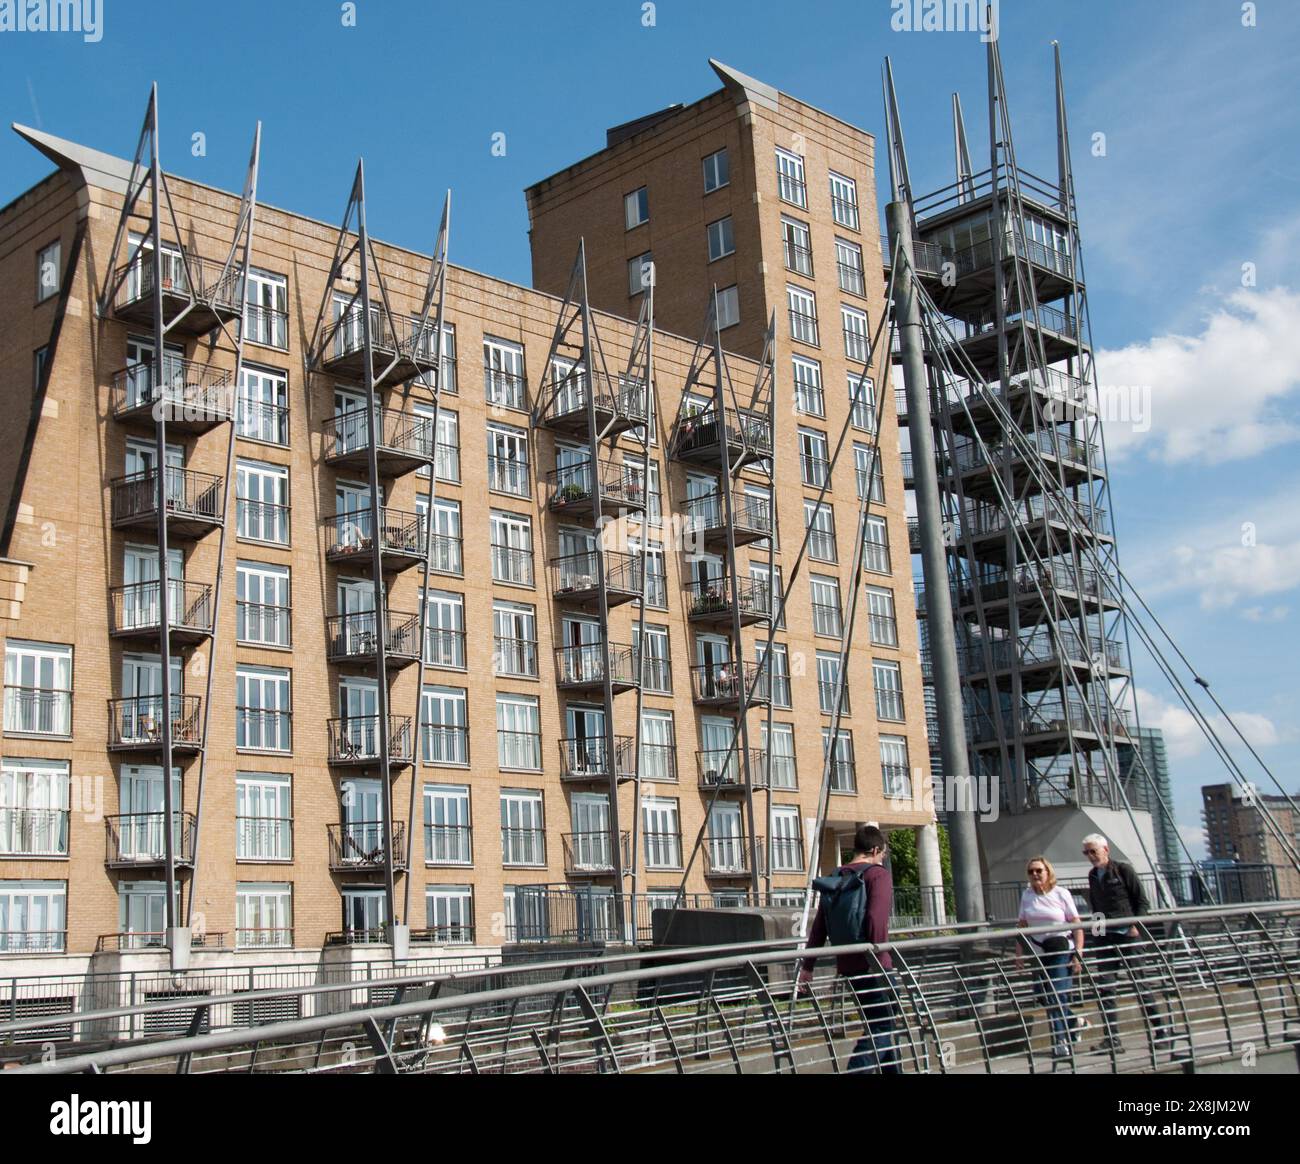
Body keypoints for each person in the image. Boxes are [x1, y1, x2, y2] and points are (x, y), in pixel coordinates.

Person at [796, 824, 900, 1073]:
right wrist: (879, 956)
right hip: (874, 965)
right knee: (883, 1024)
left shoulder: (836, 877)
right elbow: (876, 920)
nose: (882, 860)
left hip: (849, 966)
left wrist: (807, 967)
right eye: (882, 855)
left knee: (881, 1021)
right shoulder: (877, 875)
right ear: (875, 849)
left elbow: (820, 926)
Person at [1082, 833, 1168, 1053]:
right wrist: (1096, 934)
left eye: (1094, 851)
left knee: (1140, 984)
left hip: (1128, 935)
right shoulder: (1093, 875)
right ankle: (1112, 1039)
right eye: (1087, 852)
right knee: (1106, 988)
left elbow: (1141, 900)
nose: (1091, 856)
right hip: (1105, 938)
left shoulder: (1123, 870)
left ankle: (1161, 1031)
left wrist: (1135, 926)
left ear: (1105, 849)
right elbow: (1096, 907)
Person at [1015, 855, 1084, 1060]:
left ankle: (1060, 1041)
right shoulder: (1027, 895)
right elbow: (1022, 925)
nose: (1035, 874)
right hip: (1039, 951)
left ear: (1048, 872)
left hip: (1060, 948)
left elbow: (1076, 922)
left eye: (1039, 870)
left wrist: (1078, 953)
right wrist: (1018, 953)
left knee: (1056, 993)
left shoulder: (1061, 893)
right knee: (1043, 993)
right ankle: (1072, 1021)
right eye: (1031, 871)